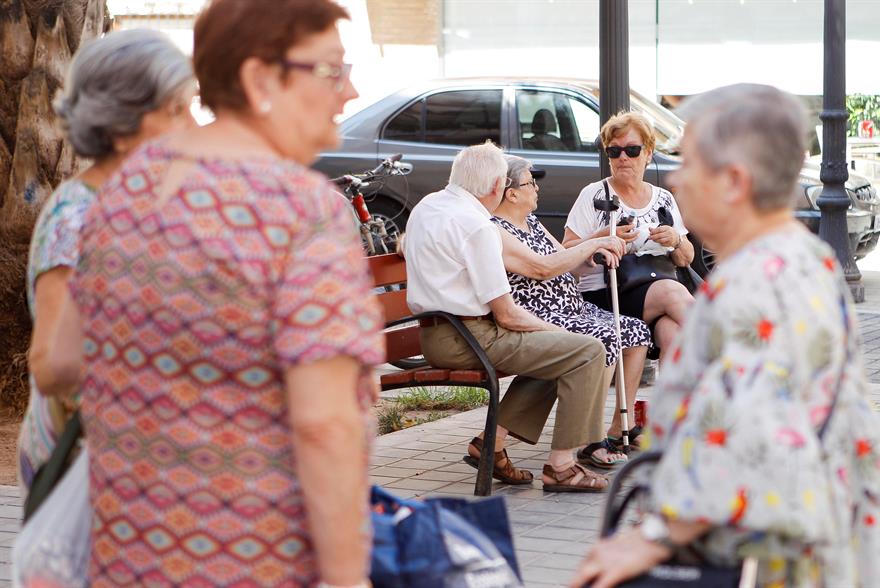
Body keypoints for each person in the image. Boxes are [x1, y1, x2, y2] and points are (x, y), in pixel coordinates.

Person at [35, 1, 383, 586]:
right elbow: (325, 425)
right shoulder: (302, 208)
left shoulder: (124, 188)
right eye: (329, 69)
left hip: (127, 556)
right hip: (252, 560)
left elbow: (65, 360)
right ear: (258, 79)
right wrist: (349, 577)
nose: (348, 90)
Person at [572, 84, 880, 588]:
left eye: (691, 162)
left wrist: (656, 536)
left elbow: (760, 438)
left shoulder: (755, 285)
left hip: (769, 560)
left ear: (734, 181)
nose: (677, 176)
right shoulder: (801, 258)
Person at [20, 29, 195, 491]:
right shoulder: (78, 218)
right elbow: (51, 364)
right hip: (92, 473)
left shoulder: (138, 202)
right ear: (121, 123)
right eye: (177, 110)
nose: (192, 127)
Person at [405, 141, 611, 493]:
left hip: (438, 332)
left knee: (560, 350)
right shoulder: (478, 227)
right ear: (497, 187)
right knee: (586, 351)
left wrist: (555, 336)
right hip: (466, 337)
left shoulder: (430, 205)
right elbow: (508, 315)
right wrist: (555, 329)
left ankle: (492, 442)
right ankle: (562, 468)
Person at [492, 155, 652, 466]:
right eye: (530, 183)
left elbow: (562, 258)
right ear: (511, 193)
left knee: (635, 331)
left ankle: (622, 425)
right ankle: (590, 441)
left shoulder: (532, 222)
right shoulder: (497, 229)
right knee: (605, 338)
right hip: (539, 312)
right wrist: (590, 246)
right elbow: (541, 268)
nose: (536, 188)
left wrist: (593, 252)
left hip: (571, 306)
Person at [563, 111, 694, 359]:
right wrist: (603, 236)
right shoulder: (594, 194)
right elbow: (565, 252)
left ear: (648, 153)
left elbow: (686, 258)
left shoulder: (663, 198)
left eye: (632, 150)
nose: (623, 158)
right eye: (614, 151)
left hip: (657, 289)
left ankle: (668, 399)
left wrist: (675, 240)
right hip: (606, 294)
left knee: (672, 333)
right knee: (670, 291)